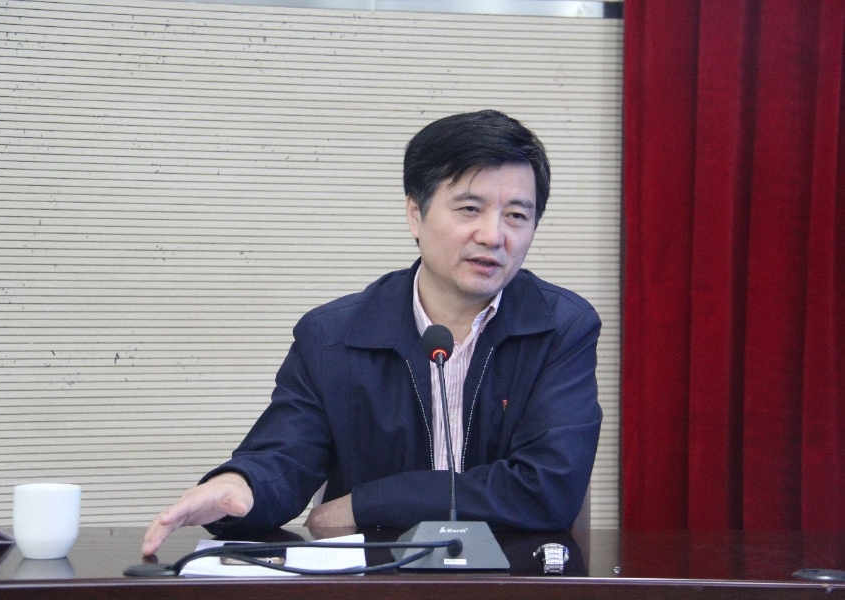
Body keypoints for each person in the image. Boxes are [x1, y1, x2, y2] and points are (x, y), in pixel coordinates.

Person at [142, 110, 602, 556]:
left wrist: (366, 504)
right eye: (469, 209)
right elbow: (285, 456)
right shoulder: (333, 337)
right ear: (415, 214)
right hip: (376, 581)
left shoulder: (562, 329)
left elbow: (547, 488)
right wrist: (240, 485)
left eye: (516, 216)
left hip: (513, 581)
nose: (492, 235)